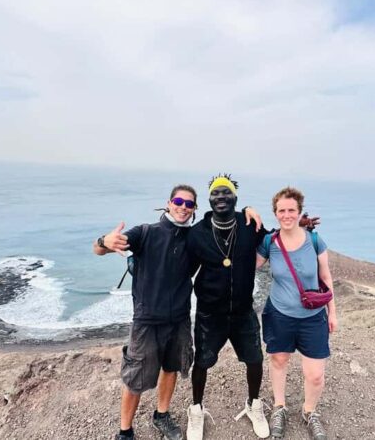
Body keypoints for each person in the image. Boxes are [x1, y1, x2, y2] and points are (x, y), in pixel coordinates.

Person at [94, 185, 199, 440]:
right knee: (135, 378)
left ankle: (161, 415)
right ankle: (125, 431)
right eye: (178, 201)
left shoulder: (195, 238)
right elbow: (100, 249)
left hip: (180, 319)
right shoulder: (146, 232)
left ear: (194, 208)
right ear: (169, 203)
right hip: (147, 320)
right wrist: (104, 242)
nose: (183, 207)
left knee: (171, 368)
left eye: (189, 204)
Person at [185, 174, 271, 440]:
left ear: (235, 197)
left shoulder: (249, 225)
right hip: (210, 313)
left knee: (255, 360)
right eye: (215, 193)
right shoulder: (197, 233)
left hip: (243, 311)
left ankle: (254, 404)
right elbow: (184, 269)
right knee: (202, 362)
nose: (220, 197)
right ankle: (196, 410)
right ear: (209, 199)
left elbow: (276, 241)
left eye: (226, 192)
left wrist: (303, 229)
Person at [256, 187, 337, 440]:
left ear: (300, 212)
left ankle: (309, 411)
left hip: (313, 317)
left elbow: (326, 278)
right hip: (279, 314)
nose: (287, 215)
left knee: (315, 375)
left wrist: (332, 313)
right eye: (281, 210)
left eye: (291, 210)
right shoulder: (270, 242)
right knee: (279, 361)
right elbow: (248, 264)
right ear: (275, 213)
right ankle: (279, 406)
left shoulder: (314, 240)